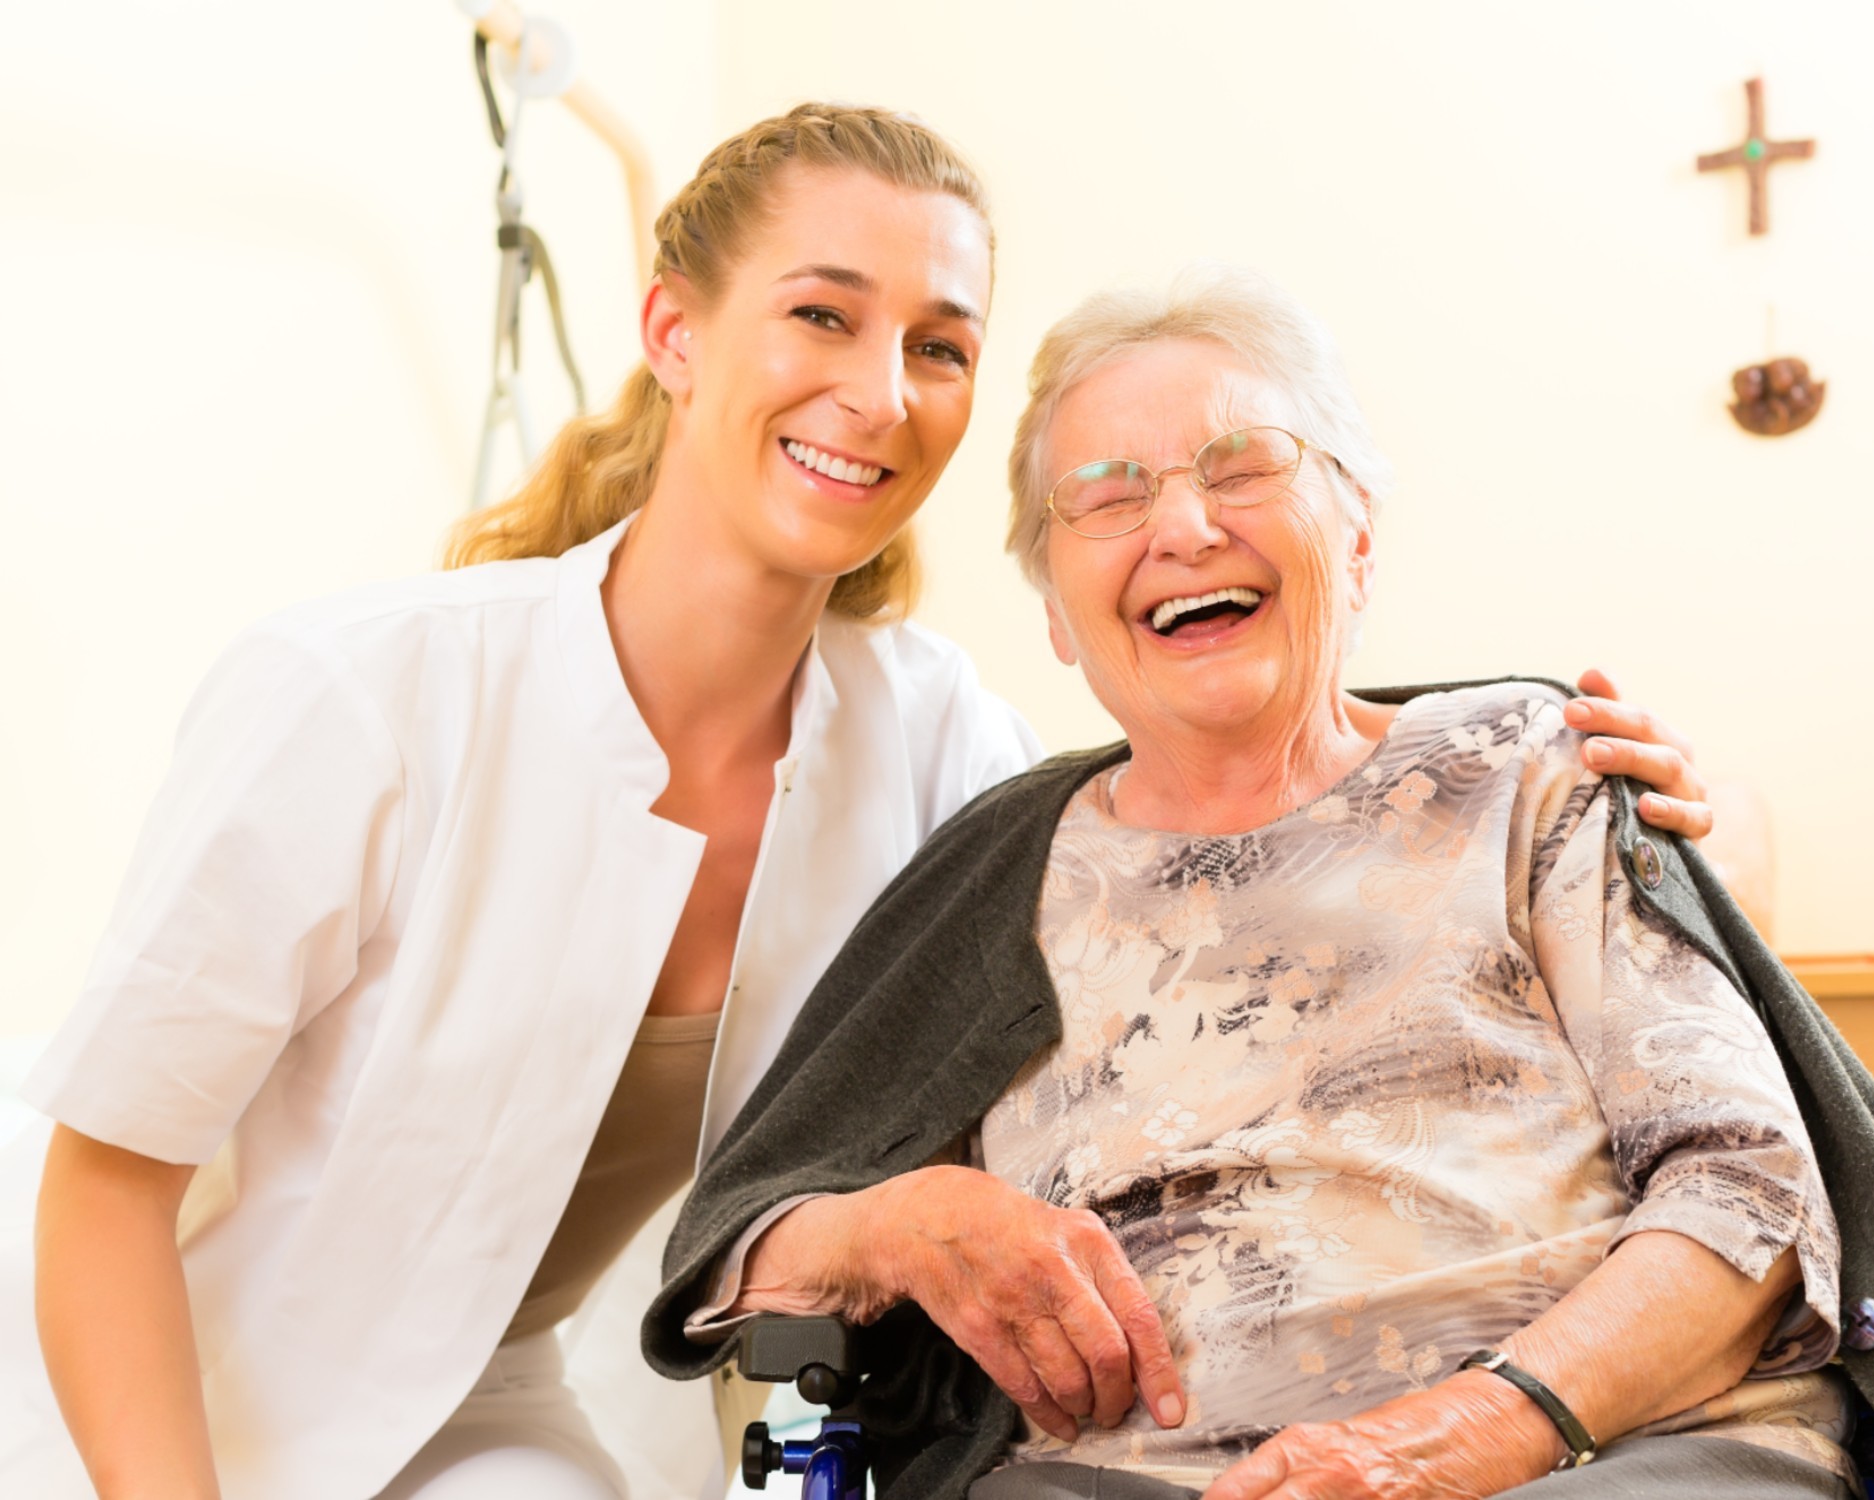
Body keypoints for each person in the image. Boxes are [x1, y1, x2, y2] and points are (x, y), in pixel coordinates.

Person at [11, 109, 1709, 1500]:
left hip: (498, 1409)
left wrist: (1535, 772)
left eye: (940, 347)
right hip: (155, 1392)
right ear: (676, 331)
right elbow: (102, 1197)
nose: (882, 394)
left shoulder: (932, 738)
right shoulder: (359, 694)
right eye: (822, 314)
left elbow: (1193, 836)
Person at [641, 268, 1874, 1500]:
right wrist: (906, 1220)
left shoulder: (1530, 765)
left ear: (1356, 539)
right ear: (1055, 607)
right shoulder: (1002, 863)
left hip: (1613, 1451)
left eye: (1244, 467)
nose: (1180, 524)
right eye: (1108, 495)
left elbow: (1750, 1191)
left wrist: (1489, 1427)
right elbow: (736, 1254)